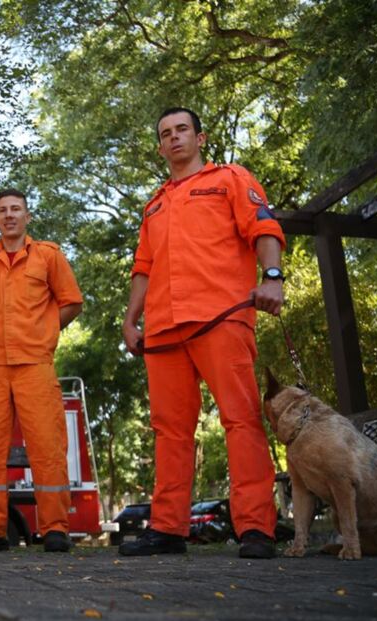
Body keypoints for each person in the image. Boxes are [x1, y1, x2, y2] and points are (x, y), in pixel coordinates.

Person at [120, 107, 285, 559]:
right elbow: (143, 266)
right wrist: (131, 319)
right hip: (163, 330)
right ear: (160, 147)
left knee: (241, 418)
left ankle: (256, 527)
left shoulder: (230, 178)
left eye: (182, 130)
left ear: (200, 137)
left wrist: (272, 276)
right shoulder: (154, 204)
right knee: (169, 430)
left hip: (221, 317)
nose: (174, 138)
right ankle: (168, 528)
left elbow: (264, 227)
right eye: (165, 134)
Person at [0, 189, 83, 552]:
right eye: (2, 210)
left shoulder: (48, 256)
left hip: (35, 364)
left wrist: (44, 333)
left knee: (47, 447)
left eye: (16, 209)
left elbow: (72, 302)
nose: (9, 215)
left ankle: (55, 528)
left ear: (27, 216)